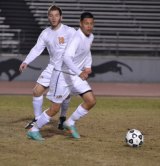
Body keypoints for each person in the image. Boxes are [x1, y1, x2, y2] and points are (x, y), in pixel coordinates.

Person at [27, 11, 96, 141]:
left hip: (74, 76)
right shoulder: (76, 38)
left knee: (91, 101)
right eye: (86, 23)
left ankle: (70, 122)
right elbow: (66, 58)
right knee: (54, 109)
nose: (89, 26)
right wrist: (80, 72)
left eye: (91, 24)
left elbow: (87, 52)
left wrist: (88, 65)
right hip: (62, 74)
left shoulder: (90, 36)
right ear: (80, 24)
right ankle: (34, 129)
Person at [19, 5, 76, 130]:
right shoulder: (45, 33)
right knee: (37, 91)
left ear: (61, 17)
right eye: (51, 15)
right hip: (52, 67)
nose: (54, 18)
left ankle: (62, 118)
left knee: (65, 96)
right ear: (48, 17)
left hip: (65, 69)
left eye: (56, 15)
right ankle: (37, 119)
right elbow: (37, 49)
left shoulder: (69, 31)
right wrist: (26, 61)